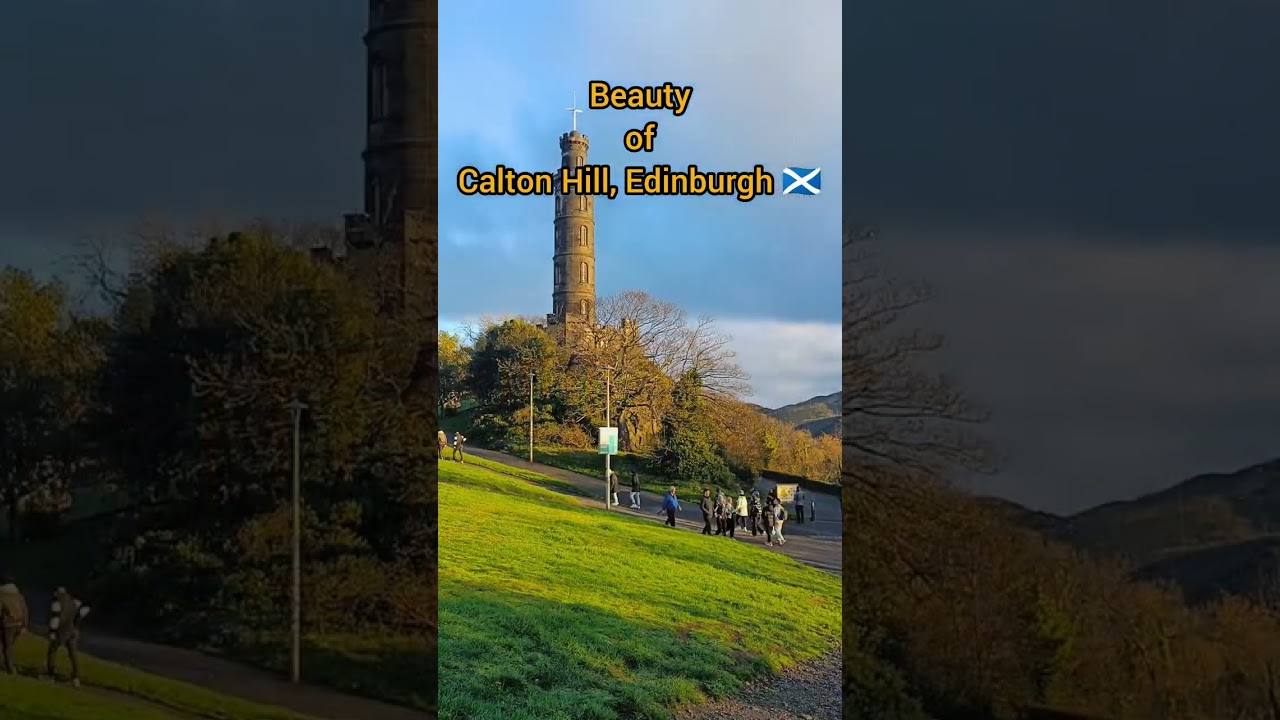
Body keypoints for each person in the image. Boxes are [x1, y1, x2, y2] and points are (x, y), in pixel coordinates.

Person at [47, 586, 90, 687]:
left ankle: (51, 675)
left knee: (52, 651)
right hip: (73, 630)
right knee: (73, 654)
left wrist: (52, 632)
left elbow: (55, 617)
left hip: (62, 630)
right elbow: (85, 608)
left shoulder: (57, 602)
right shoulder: (73, 601)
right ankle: (76, 677)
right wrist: (77, 620)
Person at [0, 577, 28, 675]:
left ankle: (11, 669)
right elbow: (25, 610)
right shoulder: (19, 595)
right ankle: (8, 665)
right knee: (8, 646)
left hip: (8, 624)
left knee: (6, 648)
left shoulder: (2, 596)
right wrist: (24, 625)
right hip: (18, 624)